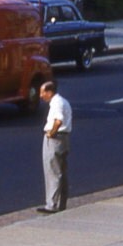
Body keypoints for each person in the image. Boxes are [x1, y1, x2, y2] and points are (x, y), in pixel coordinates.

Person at [37, 80, 72, 213]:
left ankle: (51, 205)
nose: (41, 95)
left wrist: (51, 133)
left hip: (55, 139)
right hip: (64, 138)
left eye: (42, 92)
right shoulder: (63, 101)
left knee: (52, 171)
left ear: (49, 92)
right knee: (61, 171)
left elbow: (58, 120)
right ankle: (61, 203)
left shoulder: (56, 103)